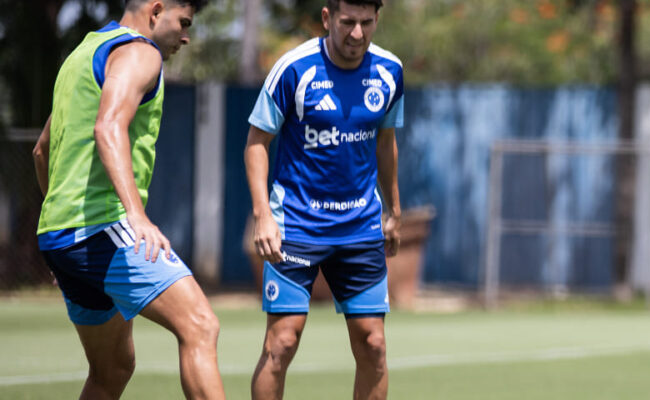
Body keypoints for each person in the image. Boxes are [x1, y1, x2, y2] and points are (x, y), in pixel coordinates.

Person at [31, 1, 224, 399]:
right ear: (156, 11)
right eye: (183, 23)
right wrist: (137, 217)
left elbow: (41, 150)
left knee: (112, 369)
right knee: (200, 325)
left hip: (60, 236)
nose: (186, 36)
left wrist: (64, 233)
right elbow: (109, 127)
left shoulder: (81, 54)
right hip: (103, 228)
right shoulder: (141, 52)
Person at [243, 0, 403, 398]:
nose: (357, 34)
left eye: (367, 23)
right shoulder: (293, 69)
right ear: (327, 18)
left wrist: (395, 210)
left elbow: (386, 141)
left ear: (377, 19)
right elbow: (257, 142)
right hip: (297, 223)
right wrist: (263, 215)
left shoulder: (390, 71)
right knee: (281, 343)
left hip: (360, 225)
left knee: (374, 345)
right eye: (348, 22)